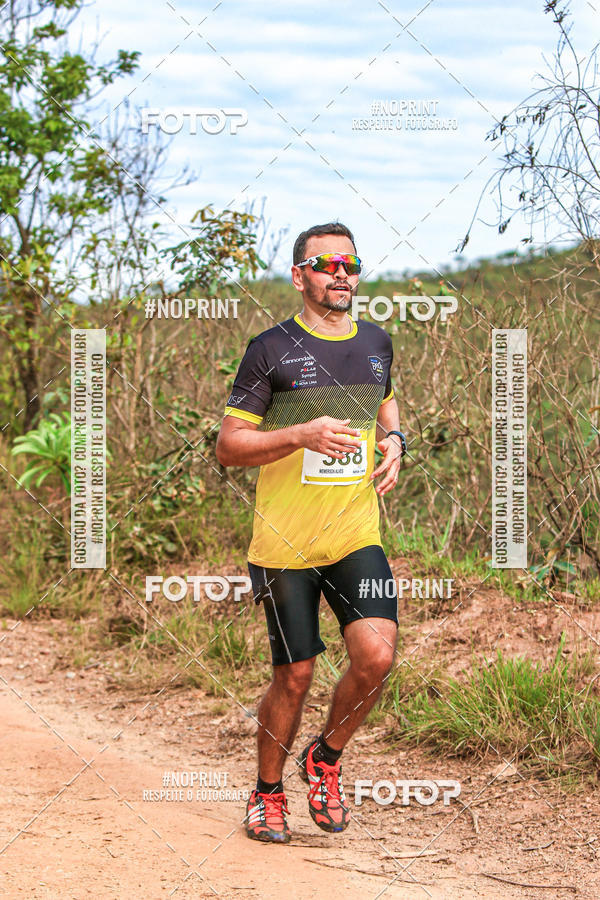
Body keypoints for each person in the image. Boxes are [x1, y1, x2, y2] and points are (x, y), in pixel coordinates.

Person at [215, 222, 405, 843]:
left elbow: (385, 399)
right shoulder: (269, 349)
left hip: (354, 533)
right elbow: (229, 446)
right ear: (300, 278)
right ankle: (267, 793)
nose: (341, 273)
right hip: (284, 544)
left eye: (349, 263)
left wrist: (396, 440)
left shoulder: (376, 342)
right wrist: (299, 434)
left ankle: (325, 758)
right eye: (325, 264)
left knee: (376, 656)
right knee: (294, 676)